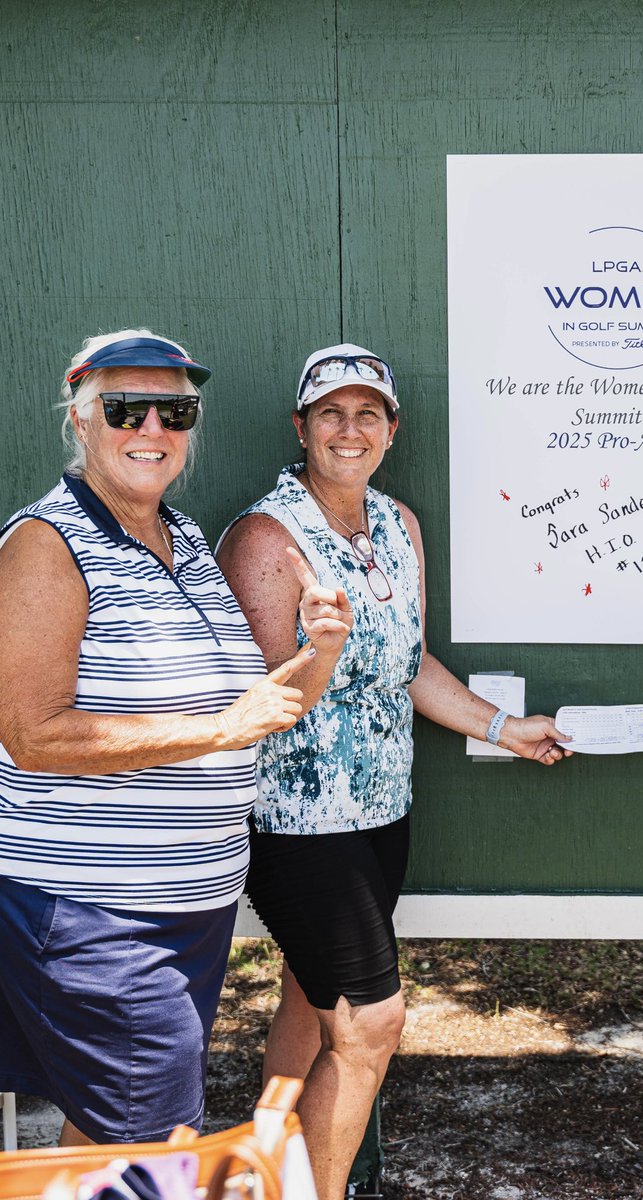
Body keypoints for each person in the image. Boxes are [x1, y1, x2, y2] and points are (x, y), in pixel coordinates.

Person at [217, 343, 570, 1200]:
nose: (349, 429)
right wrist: (321, 648)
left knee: (313, 999)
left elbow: (408, 665)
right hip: (297, 823)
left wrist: (503, 727)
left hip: (380, 811)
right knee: (372, 1024)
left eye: (367, 413)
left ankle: (263, 1167)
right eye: (330, 414)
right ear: (301, 428)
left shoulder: (399, 525)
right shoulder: (266, 538)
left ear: (391, 429)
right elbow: (264, 704)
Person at [0, 329, 339, 1146]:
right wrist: (218, 730)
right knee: (154, 1150)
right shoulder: (44, 546)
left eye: (176, 410)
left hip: (190, 907)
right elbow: (30, 736)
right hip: (98, 913)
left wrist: (318, 653)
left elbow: (258, 708)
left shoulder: (182, 539)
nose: (152, 428)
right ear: (80, 420)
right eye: (127, 408)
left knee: (106, 1137)